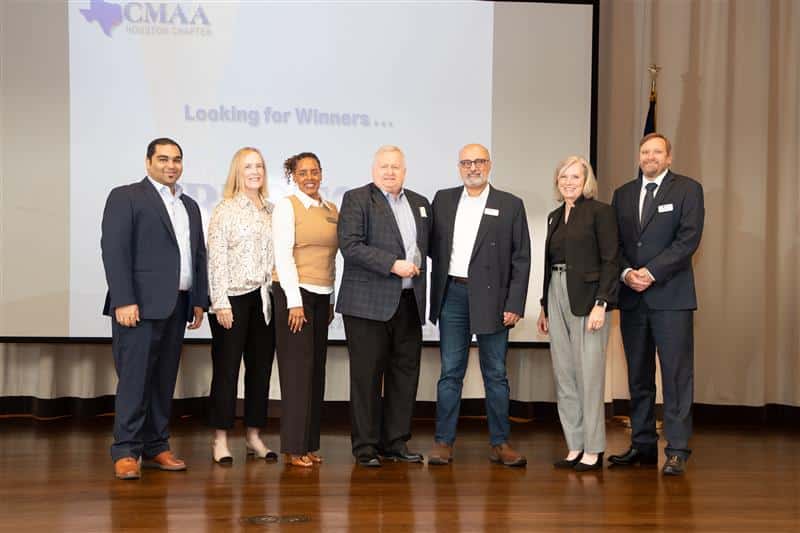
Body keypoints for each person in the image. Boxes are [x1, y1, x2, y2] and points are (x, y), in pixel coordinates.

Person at [101, 137, 208, 480]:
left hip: (177, 305)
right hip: (139, 307)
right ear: (148, 162)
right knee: (134, 381)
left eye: (176, 159)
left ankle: (157, 446)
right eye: (163, 159)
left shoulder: (189, 204)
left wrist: (198, 301)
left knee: (163, 381)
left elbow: (197, 255)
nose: (171, 165)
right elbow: (115, 251)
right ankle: (126, 451)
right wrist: (123, 299)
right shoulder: (126, 196)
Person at [427, 143, 531, 467]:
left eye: (480, 161)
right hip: (453, 296)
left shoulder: (511, 204)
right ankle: (444, 442)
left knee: (496, 374)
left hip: (494, 300)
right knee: (450, 373)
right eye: (467, 162)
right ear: (459, 167)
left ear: (489, 165)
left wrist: (515, 303)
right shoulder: (443, 199)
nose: (473, 168)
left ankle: (500, 443)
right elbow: (431, 247)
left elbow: (521, 259)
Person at [608, 133, 704, 476]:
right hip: (633, 298)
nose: (650, 157)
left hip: (671, 298)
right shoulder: (623, 194)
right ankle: (643, 444)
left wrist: (651, 271)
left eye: (656, 152)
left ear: (669, 157)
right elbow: (614, 243)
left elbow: (688, 239)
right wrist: (625, 273)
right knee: (638, 376)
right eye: (645, 152)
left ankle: (677, 448)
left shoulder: (688, 189)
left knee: (676, 376)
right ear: (639, 156)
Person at [336, 145, 431, 467]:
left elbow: (430, 249)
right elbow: (350, 245)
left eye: (396, 167)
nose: (390, 172)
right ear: (373, 169)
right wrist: (393, 264)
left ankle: (396, 442)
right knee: (366, 377)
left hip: (409, 303)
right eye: (384, 166)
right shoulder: (357, 199)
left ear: (405, 171)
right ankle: (365, 446)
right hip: (366, 306)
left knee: (404, 375)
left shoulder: (420, 203)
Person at [536, 156, 620, 471]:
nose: (569, 182)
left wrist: (602, 303)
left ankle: (594, 448)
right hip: (556, 295)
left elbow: (611, 260)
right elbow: (550, 263)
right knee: (565, 376)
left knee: (590, 376)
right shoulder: (553, 217)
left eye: (575, 177)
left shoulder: (601, 213)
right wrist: (545, 305)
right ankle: (575, 444)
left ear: (586, 181)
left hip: (588, 300)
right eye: (563, 177)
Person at [206, 147, 277, 465]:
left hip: (264, 300)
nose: (255, 171)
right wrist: (220, 302)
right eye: (248, 166)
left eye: (260, 166)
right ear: (238, 171)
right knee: (226, 370)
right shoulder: (225, 209)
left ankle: (253, 436)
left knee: (260, 371)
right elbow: (215, 259)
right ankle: (220, 439)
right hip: (231, 300)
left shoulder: (272, 210)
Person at [273, 152, 338, 467]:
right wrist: (294, 301)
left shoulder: (330, 209)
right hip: (294, 295)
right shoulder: (288, 206)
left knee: (315, 373)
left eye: (315, 171)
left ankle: (309, 444)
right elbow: (283, 255)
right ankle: (293, 447)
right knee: (297, 373)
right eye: (303, 173)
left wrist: (332, 297)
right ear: (293, 176)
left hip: (321, 296)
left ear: (321, 173)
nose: (310, 177)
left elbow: (331, 260)